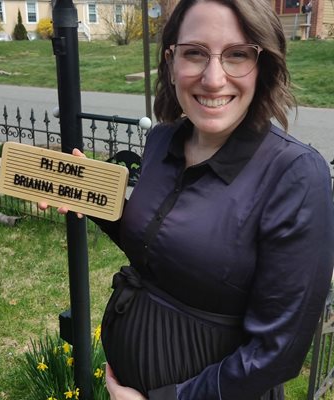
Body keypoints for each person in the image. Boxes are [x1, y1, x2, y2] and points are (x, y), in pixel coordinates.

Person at [41, 0, 334, 398]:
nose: (214, 79)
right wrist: (87, 193)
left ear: (262, 65)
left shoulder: (295, 174)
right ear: (170, 60)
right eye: (195, 53)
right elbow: (162, 246)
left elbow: (276, 353)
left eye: (237, 55)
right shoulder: (163, 140)